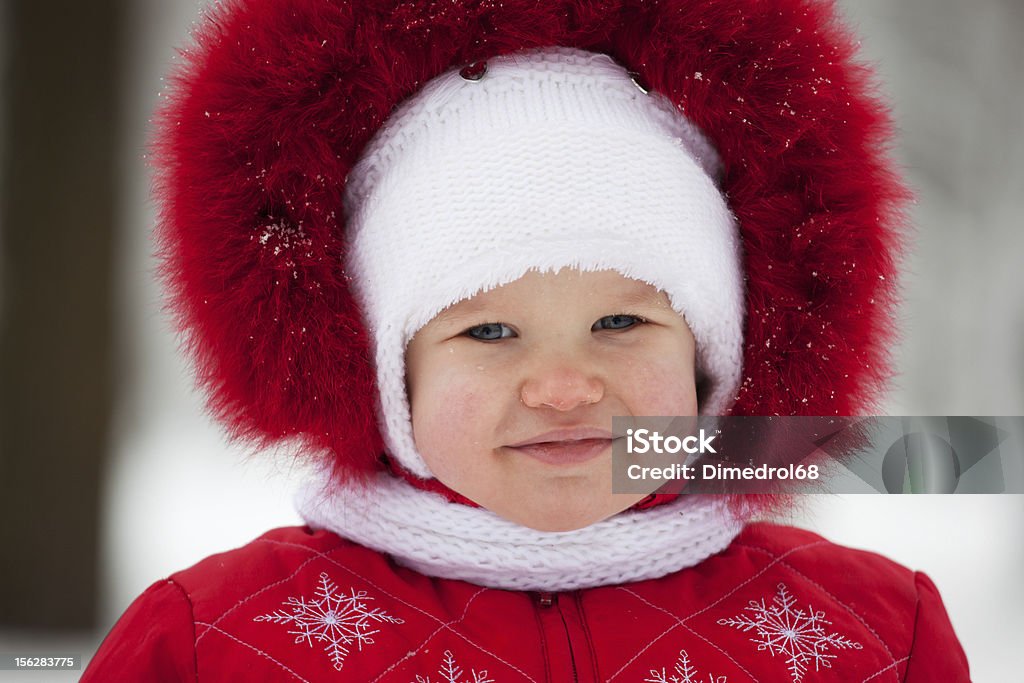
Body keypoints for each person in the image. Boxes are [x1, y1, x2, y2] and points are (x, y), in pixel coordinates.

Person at [84, 0, 972, 680]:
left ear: (714, 358)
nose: (562, 386)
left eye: (620, 323)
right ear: (387, 372)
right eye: (489, 329)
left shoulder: (876, 636)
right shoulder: (214, 644)